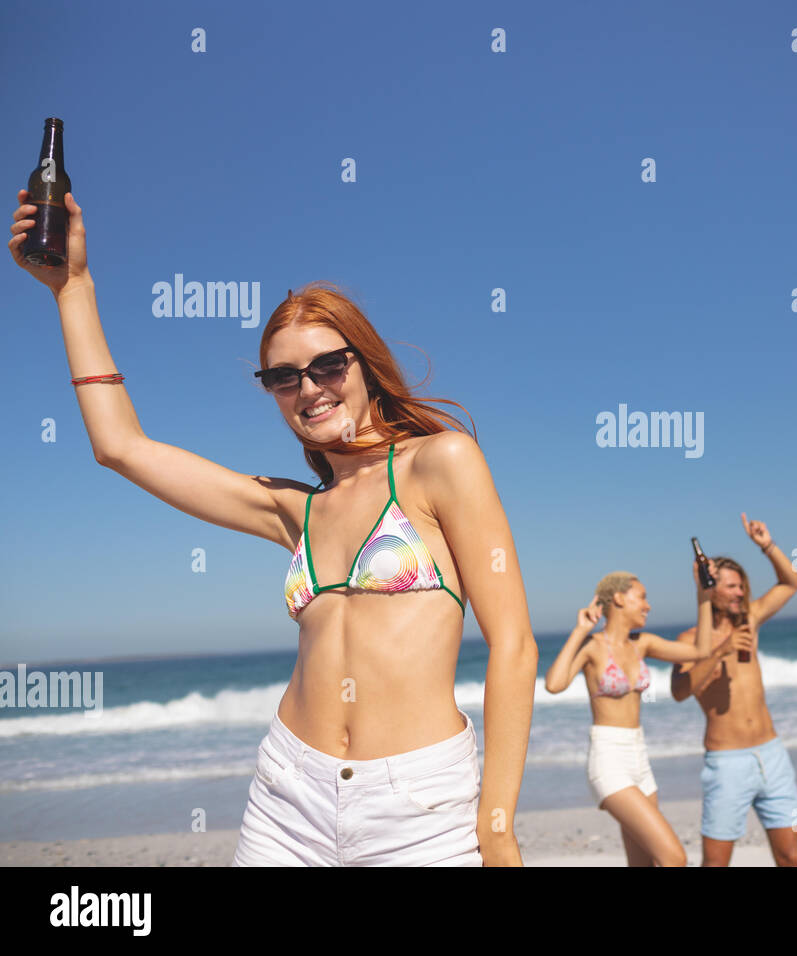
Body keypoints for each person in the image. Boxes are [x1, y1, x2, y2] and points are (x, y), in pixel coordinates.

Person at [10, 190, 537, 866]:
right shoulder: (296, 510)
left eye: (327, 365)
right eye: (284, 377)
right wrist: (72, 288)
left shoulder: (442, 463)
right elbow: (120, 446)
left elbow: (515, 645)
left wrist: (496, 825)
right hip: (288, 800)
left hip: (422, 808)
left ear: (365, 363)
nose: (309, 388)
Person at [544, 564, 727, 866]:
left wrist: (703, 595)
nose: (648, 605)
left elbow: (701, 650)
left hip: (640, 759)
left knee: (643, 864)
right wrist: (580, 630)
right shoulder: (592, 647)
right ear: (618, 598)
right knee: (674, 858)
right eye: (641, 597)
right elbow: (554, 683)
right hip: (608, 759)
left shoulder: (642, 644)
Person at [670, 514, 797, 866]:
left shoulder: (750, 619)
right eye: (731, 586)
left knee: (790, 856)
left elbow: (791, 583)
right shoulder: (689, 640)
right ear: (710, 587)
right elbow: (681, 691)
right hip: (727, 762)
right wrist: (720, 652)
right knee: (716, 863)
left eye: (742, 586)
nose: (740, 593)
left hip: (773, 756)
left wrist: (767, 546)